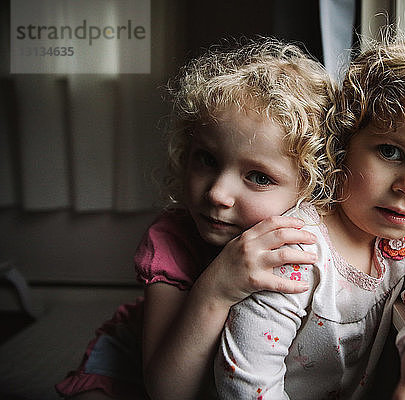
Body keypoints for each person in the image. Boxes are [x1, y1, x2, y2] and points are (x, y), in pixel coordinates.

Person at [214, 38, 405, 400]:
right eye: (390, 151)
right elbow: (245, 380)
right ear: (343, 143)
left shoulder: (404, 246)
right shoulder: (295, 249)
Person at [55, 37, 336, 400]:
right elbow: (167, 390)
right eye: (207, 159)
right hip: (141, 361)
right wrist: (216, 288)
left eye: (259, 177)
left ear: (310, 189)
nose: (218, 193)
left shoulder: (318, 241)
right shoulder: (172, 239)